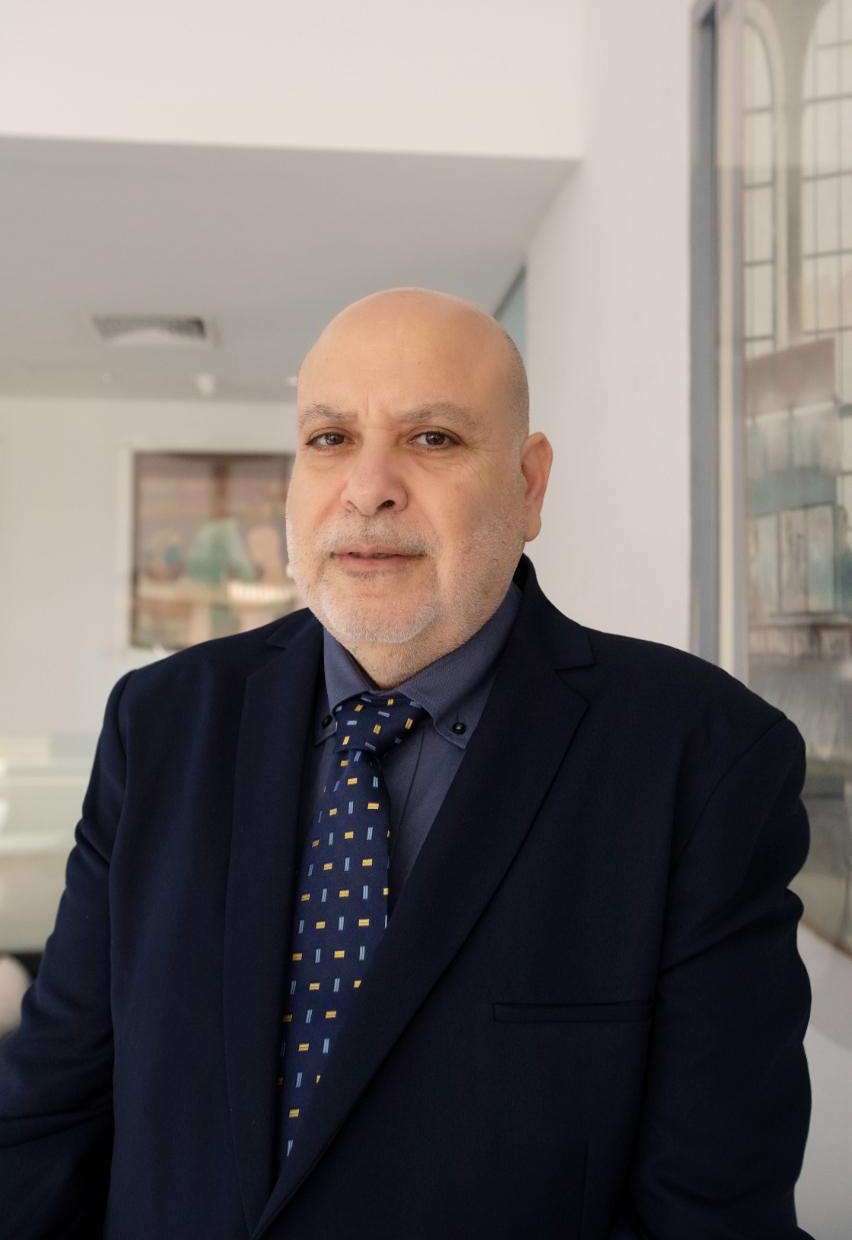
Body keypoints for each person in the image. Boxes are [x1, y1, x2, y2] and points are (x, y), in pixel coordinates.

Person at [0, 288, 813, 1239]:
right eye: (331, 438)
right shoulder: (162, 722)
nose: (368, 488)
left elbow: (714, 1212)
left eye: (432, 438)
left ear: (530, 486)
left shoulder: (703, 757)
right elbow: (50, 1115)